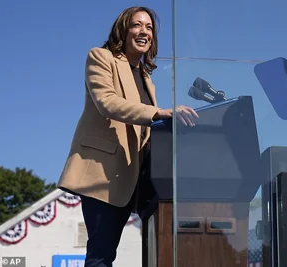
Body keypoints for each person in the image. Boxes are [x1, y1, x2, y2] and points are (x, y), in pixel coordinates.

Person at [57, 6, 198, 267]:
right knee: (101, 254)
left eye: (150, 28)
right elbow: (107, 103)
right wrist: (160, 112)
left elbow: (143, 130)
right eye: (137, 25)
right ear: (123, 29)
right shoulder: (101, 58)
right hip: (102, 175)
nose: (144, 32)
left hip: (134, 179)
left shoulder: (146, 78)